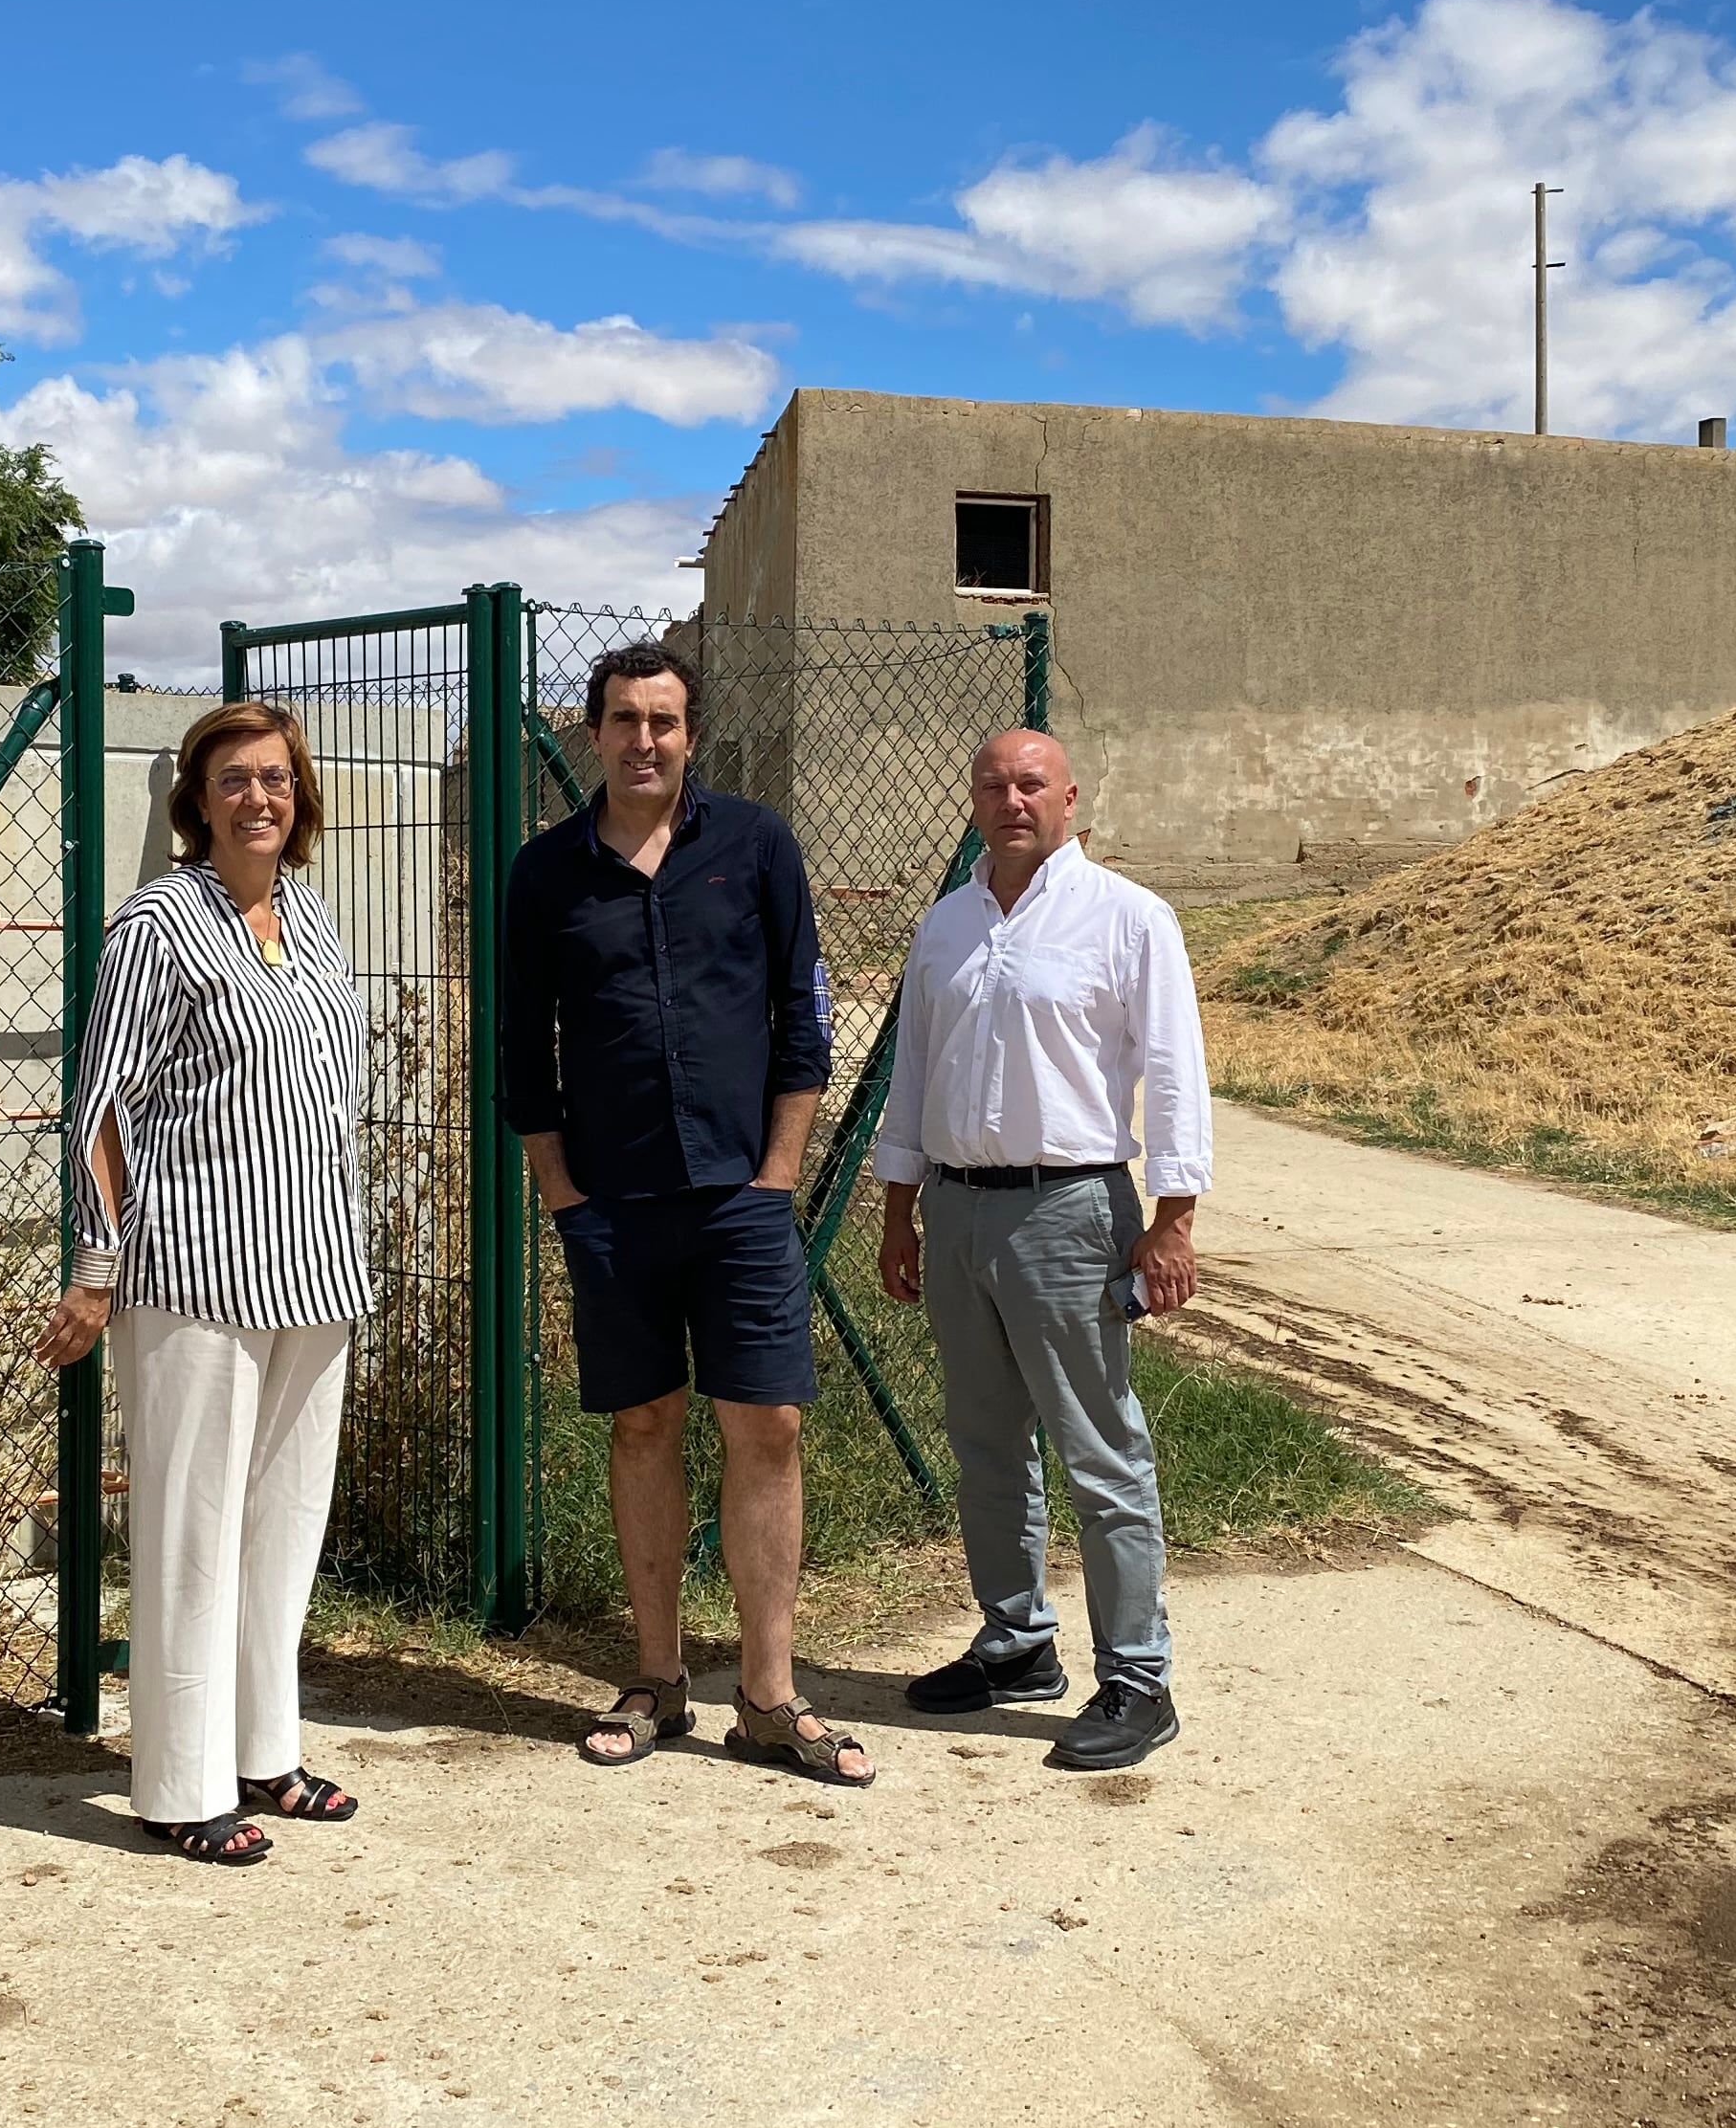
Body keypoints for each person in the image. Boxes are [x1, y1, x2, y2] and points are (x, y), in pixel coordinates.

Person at [503, 640, 870, 1789]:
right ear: (596, 733)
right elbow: (525, 1052)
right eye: (623, 720)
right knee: (643, 1426)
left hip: (741, 1203)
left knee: (768, 1427)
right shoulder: (546, 871)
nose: (644, 740)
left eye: (663, 720)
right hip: (612, 1208)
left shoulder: (756, 846)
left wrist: (778, 1175)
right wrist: (563, 1196)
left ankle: (768, 1694)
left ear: (690, 732)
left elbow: (801, 1018)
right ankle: (658, 1677)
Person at [36, 700, 374, 1867]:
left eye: (276, 778)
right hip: (193, 1267)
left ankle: (263, 1753)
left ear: (301, 795)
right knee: (191, 1527)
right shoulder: (158, 923)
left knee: (284, 1524)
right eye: (234, 779)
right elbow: (102, 1106)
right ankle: (179, 1785)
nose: (258, 799)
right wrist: (94, 1267)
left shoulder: (318, 918)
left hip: (316, 1266)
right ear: (197, 798)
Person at [876, 727, 1211, 1774]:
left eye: (1032, 784)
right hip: (960, 1208)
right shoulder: (945, 928)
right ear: (973, 799)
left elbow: (1173, 1065)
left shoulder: (1126, 918)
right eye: (993, 783)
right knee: (984, 1443)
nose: (1012, 799)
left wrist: (1173, 1216)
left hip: (1071, 1213)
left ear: (1069, 799)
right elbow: (916, 1072)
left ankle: (1138, 1677)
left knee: (1099, 1449)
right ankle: (1015, 1642)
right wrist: (899, 1206)